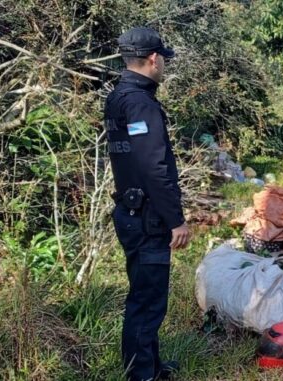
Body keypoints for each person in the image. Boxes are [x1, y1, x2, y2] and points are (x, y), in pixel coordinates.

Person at [103, 27, 190, 381]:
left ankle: (150, 367)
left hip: (131, 211)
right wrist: (176, 220)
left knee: (145, 296)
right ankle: (141, 375)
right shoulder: (140, 103)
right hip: (147, 218)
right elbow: (154, 168)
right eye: (163, 59)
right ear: (154, 59)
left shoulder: (118, 97)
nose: (164, 65)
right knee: (148, 302)